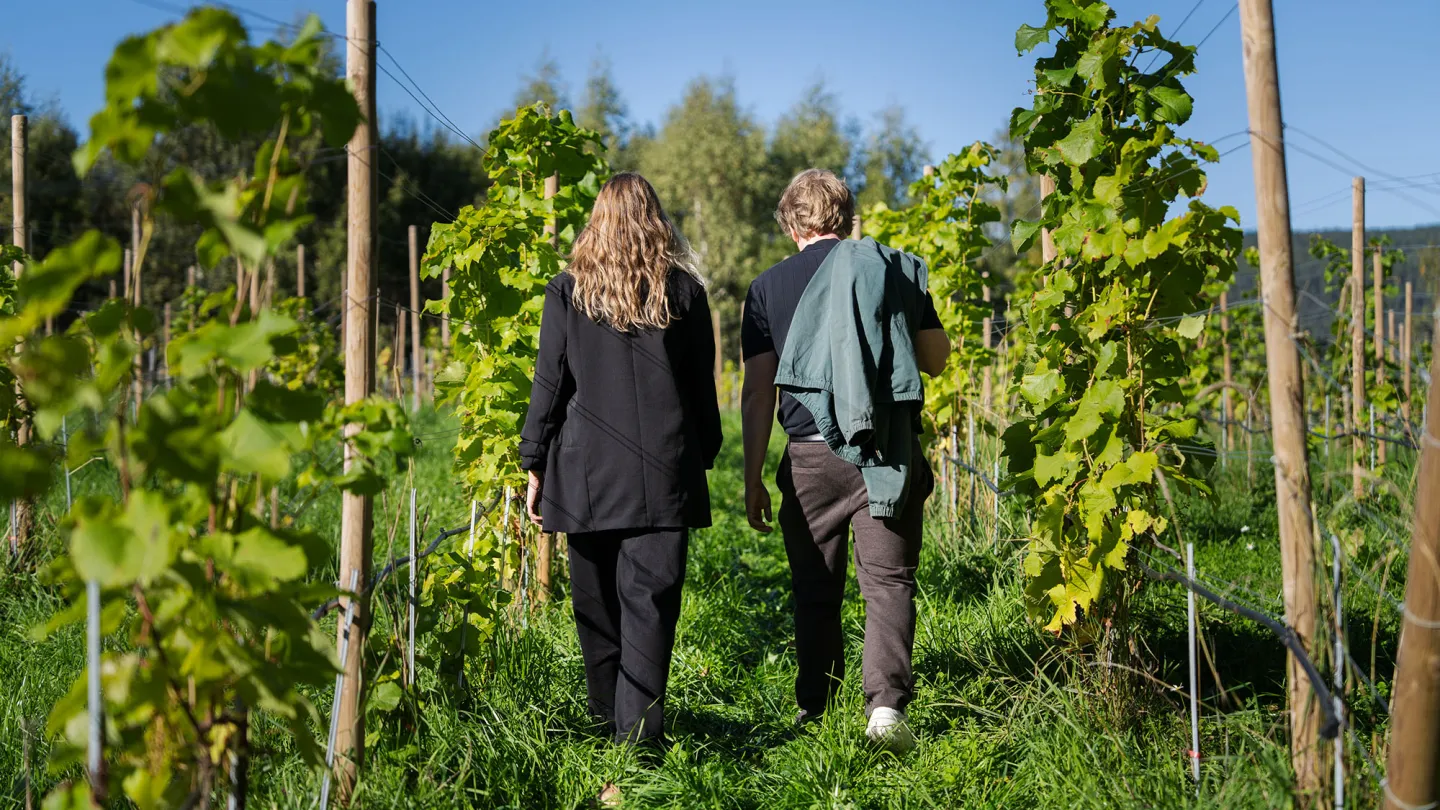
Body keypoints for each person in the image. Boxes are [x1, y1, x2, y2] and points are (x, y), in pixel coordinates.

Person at [740, 168, 950, 754]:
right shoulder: (892, 269)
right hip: (887, 450)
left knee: (815, 586)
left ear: (792, 226)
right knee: (888, 582)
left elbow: (757, 392)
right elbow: (935, 359)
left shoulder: (767, 288)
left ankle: (817, 707)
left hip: (809, 457)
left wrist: (753, 476)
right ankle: (885, 709)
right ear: (847, 218)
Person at [520, 173, 722, 759]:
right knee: (650, 608)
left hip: (585, 475)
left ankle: (607, 721)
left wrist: (534, 460)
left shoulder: (567, 291)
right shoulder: (683, 293)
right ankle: (637, 740)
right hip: (663, 472)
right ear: (656, 220)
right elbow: (701, 385)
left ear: (596, 221)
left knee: (596, 606)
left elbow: (550, 384)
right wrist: (704, 451)